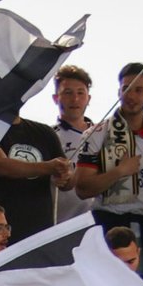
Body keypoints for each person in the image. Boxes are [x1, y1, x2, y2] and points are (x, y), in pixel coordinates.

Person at [75, 62, 143, 285]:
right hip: (108, 226)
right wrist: (119, 171)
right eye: (126, 88)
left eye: (138, 89)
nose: (131, 95)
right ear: (118, 91)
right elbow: (82, 189)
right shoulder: (97, 134)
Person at [0, 114, 71, 242]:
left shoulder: (45, 132)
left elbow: (69, 181)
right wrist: (49, 167)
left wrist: (65, 175)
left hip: (38, 235)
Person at [51, 64, 96, 223]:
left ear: (88, 98)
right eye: (68, 93)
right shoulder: (48, 136)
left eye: (80, 93)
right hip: (64, 226)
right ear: (56, 98)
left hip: (101, 224)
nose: (75, 99)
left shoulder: (104, 134)